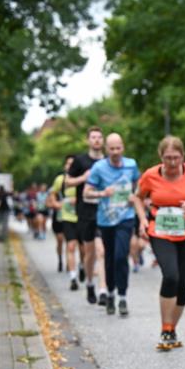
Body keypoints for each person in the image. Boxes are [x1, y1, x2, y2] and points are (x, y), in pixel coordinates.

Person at [138, 135, 185, 350]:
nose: (171, 163)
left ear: (183, 156)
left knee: (184, 284)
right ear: (161, 157)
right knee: (171, 275)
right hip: (160, 232)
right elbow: (137, 197)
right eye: (167, 158)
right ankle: (165, 327)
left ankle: (172, 329)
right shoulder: (151, 175)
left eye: (176, 158)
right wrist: (142, 219)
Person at [84, 134, 141, 317]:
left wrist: (135, 196)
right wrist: (102, 193)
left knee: (120, 256)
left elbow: (139, 186)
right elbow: (87, 192)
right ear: (107, 150)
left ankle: (122, 296)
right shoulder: (99, 167)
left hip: (126, 217)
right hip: (106, 220)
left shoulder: (131, 164)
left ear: (123, 147)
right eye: (112, 149)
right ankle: (110, 294)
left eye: (118, 148)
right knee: (109, 259)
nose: (115, 152)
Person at [68, 126, 108, 305]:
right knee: (89, 252)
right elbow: (67, 182)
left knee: (102, 251)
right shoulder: (80, 161)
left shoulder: (108, 162)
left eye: (100, 137)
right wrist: (83, 178)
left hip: (105, 211)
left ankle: (103, 290)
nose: (97, 140)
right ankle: (90, 283)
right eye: (93, 137)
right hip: (85, 212)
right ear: (88, 140)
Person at [48, 156, 74, 273]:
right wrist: (55, 203)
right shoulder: (60, 179)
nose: (70, 166)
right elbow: (52, 194)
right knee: (60, 239)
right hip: (59, 215)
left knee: (71, 242)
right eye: (68, 164)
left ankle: (70, 264)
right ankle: (60, 259)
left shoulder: (80, 179)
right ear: (65, 166)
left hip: (73, 215)